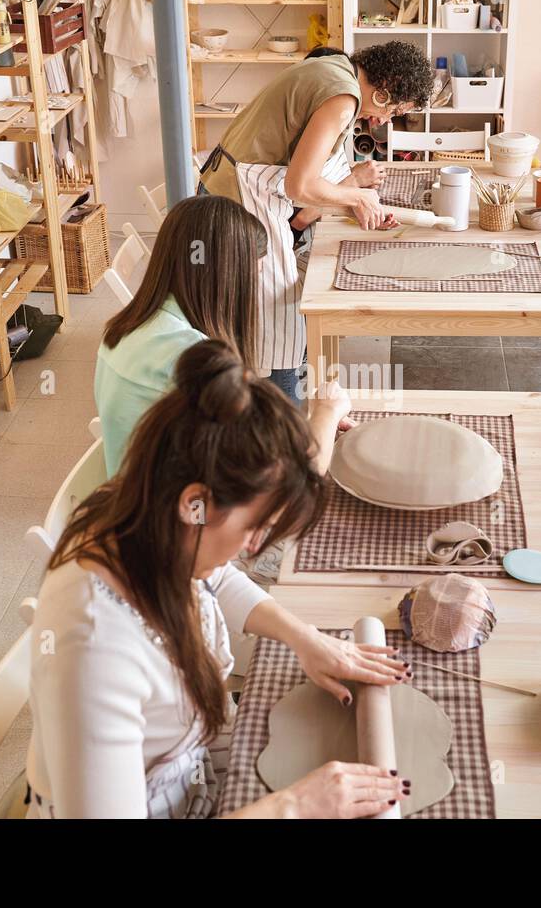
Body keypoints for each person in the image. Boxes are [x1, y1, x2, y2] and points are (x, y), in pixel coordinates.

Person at [29, 341, 412, 818]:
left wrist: (306, 638)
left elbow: (214, 579)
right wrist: (292, 807)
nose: (251, 549)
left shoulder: (151, 516)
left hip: (192, 777)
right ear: (196, 503)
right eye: (252, 529)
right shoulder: (93, 649)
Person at [198, 40, 434, 399]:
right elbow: (300, 184)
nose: (387, 119)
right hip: (234, 210)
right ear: (387, 89)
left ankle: (284, 403)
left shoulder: (337, 68)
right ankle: (283, 422)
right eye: (396, 109)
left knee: (274, 324)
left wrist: (351, 200)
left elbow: (310, 171)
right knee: (277, 323)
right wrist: (356, 194)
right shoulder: (343, 97)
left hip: (224, 196)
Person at [95, 195, 347, 476]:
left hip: (134, 493)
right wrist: (326, 411)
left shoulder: (128, 327)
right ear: (226, 276)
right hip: (170, 512)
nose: (256, 290)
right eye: (254, 276)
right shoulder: (191, 355)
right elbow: (297, 474)